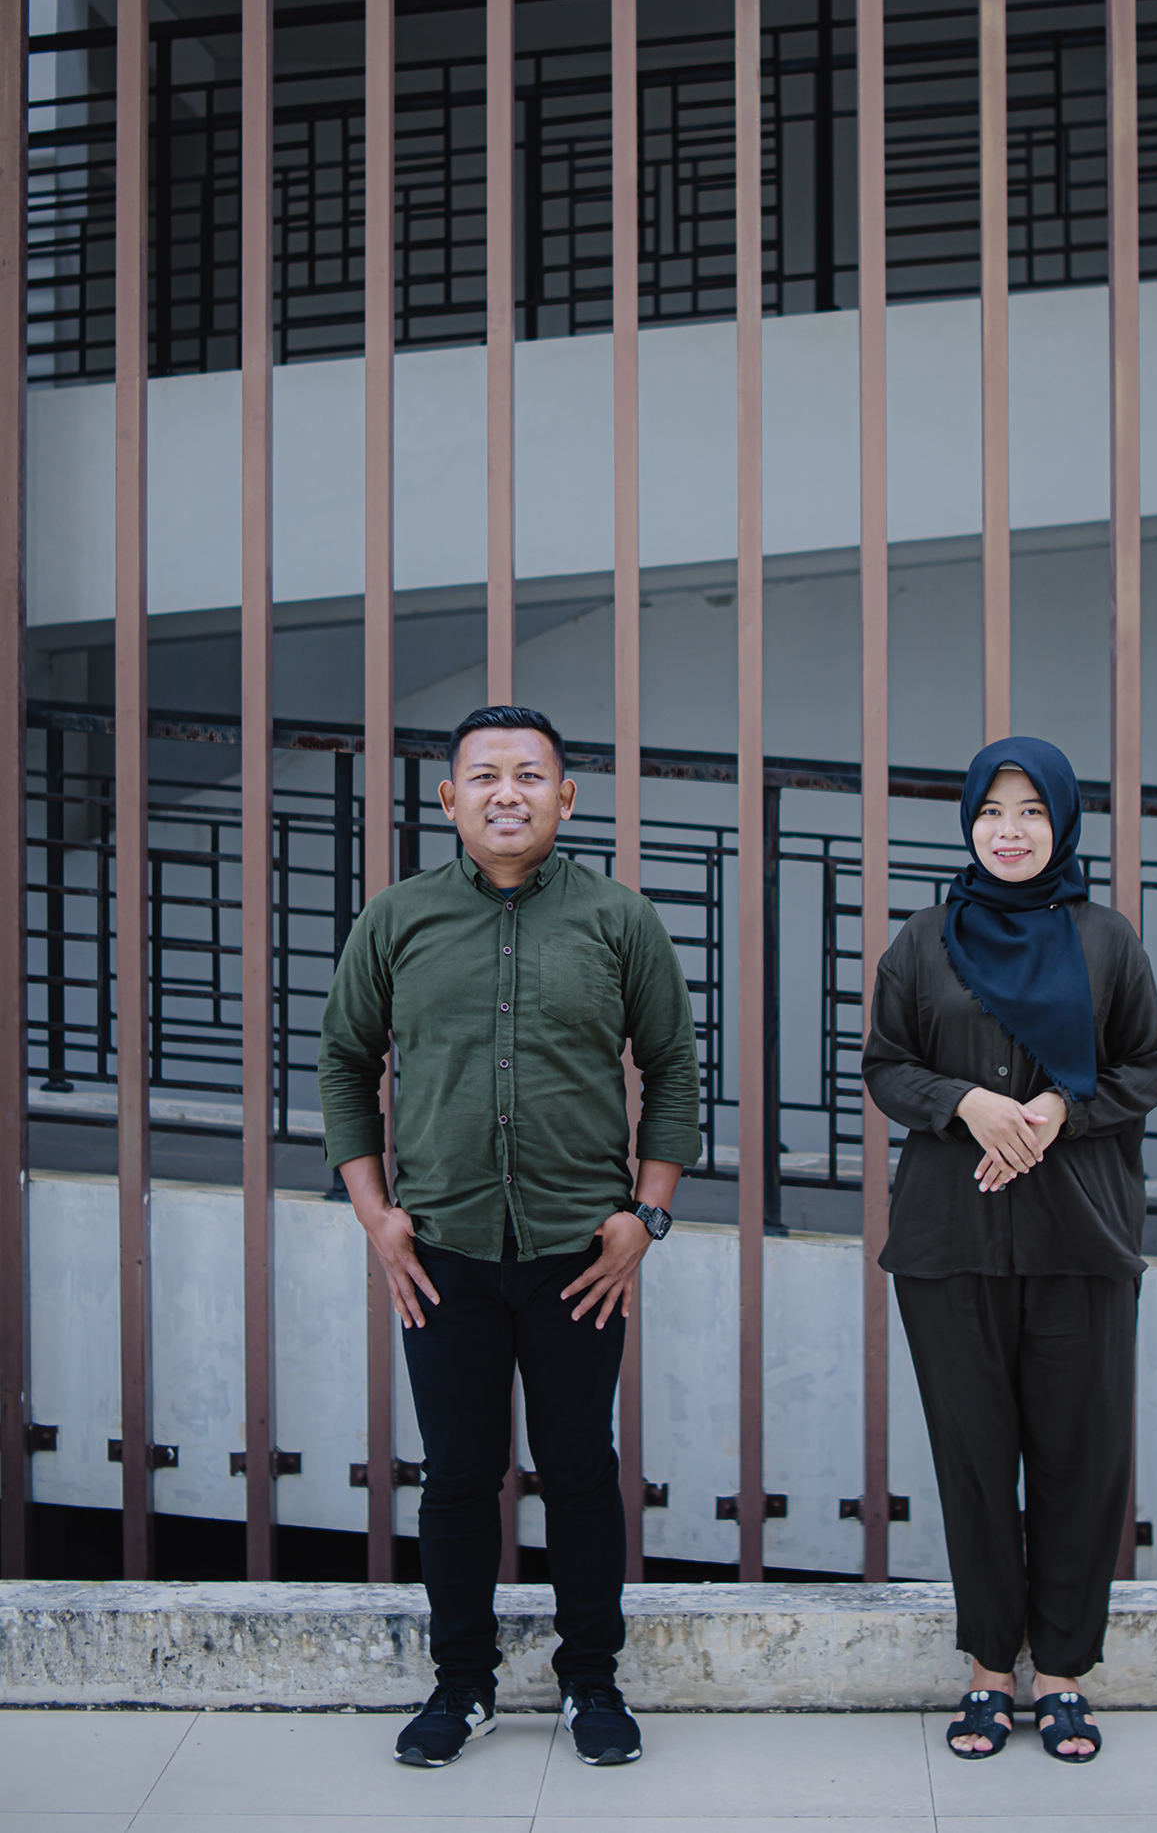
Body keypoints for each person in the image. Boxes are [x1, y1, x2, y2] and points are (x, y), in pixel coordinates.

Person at [318, 704, 702, 1771]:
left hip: (583, 1256)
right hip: (440, 1251)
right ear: (449, 799)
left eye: (529, 775)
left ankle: (592, 1682)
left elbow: (674, 1069)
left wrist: (645, 1219)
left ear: (564, 799)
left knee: (579, 1467)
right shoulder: (396, 919)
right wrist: (376, 1215)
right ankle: (461, 1685)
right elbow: (344, 1062)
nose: (507, 793)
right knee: (456, 1474)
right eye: (484, 775)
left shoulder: (619, 919)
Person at [864, 735, 1157, 1764]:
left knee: (1082, 1460)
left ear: (1063, 823)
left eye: (1032, 811)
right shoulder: (923, 941)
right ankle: (991, 1670)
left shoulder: (1107, 940)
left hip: (1081, 1236)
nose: (1010, 831)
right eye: (993, 811)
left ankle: (1066, 1674)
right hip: (950, 1243)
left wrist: (1054, 1111)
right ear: (968, 822)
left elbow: (1144, 1068)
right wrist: (969, 1104)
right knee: (977, 1464)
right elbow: (886, 1065)